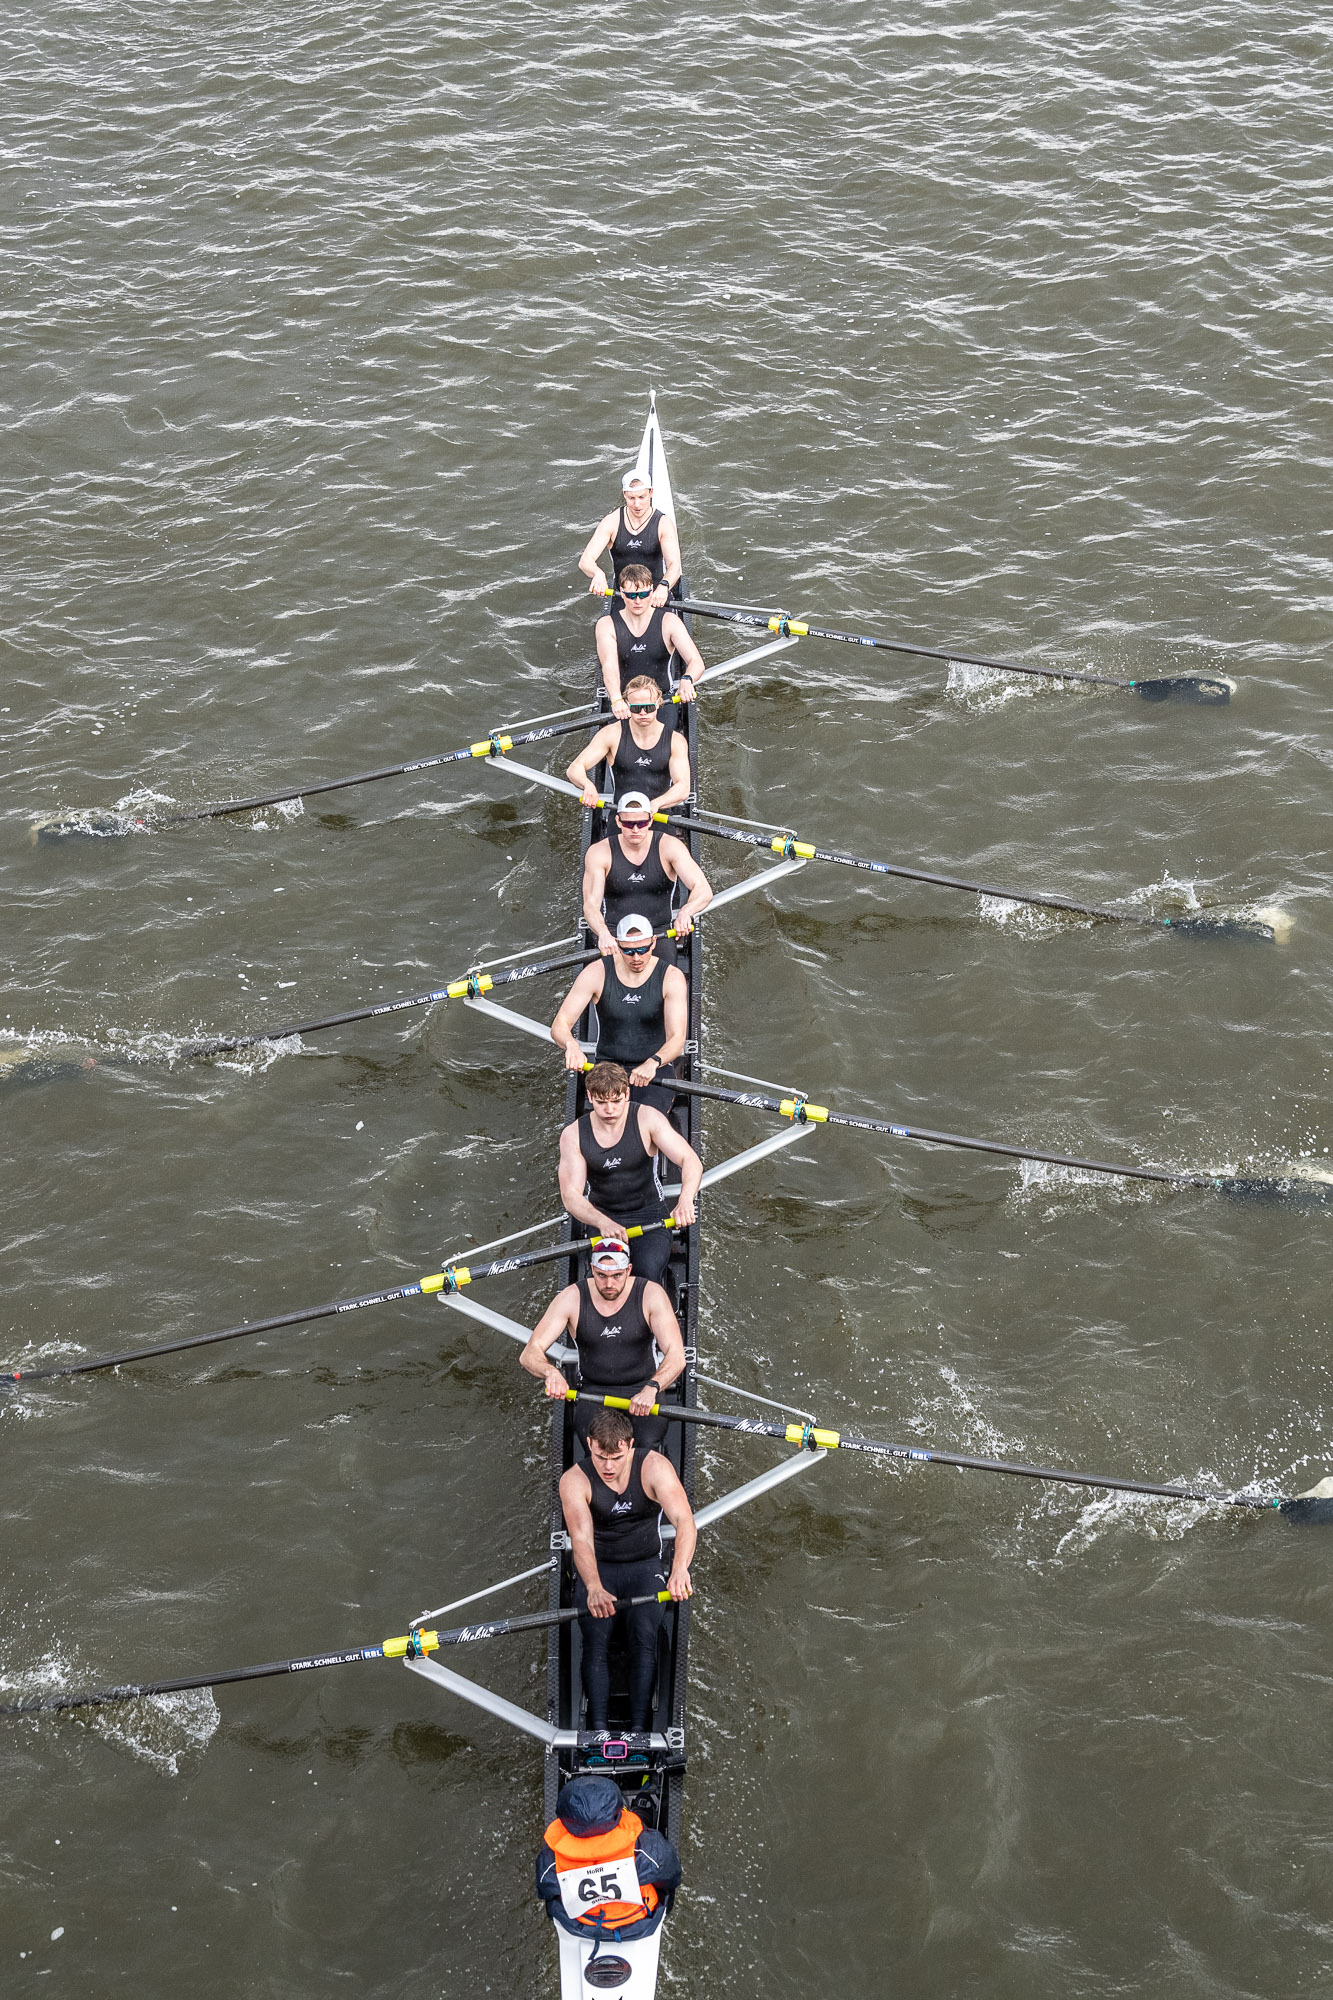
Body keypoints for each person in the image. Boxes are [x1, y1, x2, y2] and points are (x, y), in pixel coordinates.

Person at [559, 1406, 695, 1737]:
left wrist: (679, 1570)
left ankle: (640, 1729)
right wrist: (592, 1586)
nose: (608, 1466)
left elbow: (684, 1521)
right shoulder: (574, 1480)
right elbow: (581, 1540)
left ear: (630, 1445)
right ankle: (598, 1730)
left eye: (616, 1457)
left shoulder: (654, 1467)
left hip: (645, 1564)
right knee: (595, 1640)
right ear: (589, 1444)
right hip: (600, 1568)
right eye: (601, 1456)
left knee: (643, 1637)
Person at [520, 1235, 686, 1449]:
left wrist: (652, 1387)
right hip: (594, 1392)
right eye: (601, 1275)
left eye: (617, 1275)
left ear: (629, 1270)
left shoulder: (650, 1294)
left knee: (646, 1449)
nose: (609, 1284)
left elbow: (676, 1355)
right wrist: (551, 1372)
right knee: (600, 1451)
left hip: (643, 1388)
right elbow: (530, 1353)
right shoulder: (572, 1298)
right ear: (591, 1269)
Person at [557, 1059, 701, 1286]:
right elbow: (571, 1196)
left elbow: (690, 1160)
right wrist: (602, 1222)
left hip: (650, 1217)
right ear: (589, 1096)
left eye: (616, 1101)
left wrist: (685, 1199)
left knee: (645, 1277)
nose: (610, 1110)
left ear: (627, 1093)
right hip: (603, 1218)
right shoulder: (573, 1135)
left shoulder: (648, 1119)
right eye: (602, 1102)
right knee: (605, 1283)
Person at [550, 911, 687, 1113]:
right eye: (628, 951)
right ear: (617, 945)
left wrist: (653, 1062)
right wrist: (571, 1044)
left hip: (653, 1069)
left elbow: (677, 1039)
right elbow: (560, 1024)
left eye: (642, 949)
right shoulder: (596, 972)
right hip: (607, 1069)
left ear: (654, 943)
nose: (636, 957)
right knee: (610, 1124)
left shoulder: (672, 977)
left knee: (644, 1125)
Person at [537, 1773, 681, 1947]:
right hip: (637, 1921)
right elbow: (671, 1876)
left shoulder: (551, 1859)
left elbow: (545, 1891)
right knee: (642, 1816)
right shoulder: (645, 1847)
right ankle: (643, 1802)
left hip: (583, 1926)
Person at [582, 792, 711, 957]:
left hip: (659, 934)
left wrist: (686, 912)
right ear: (618, 822)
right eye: (629, 824)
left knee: (670, 981)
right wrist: (602, 933)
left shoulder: (670, 846)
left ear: (651, 820)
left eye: (641, 823)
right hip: (616, 937)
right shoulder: (599, 852)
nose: (635, 830)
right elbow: (591, 905)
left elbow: (703, 890)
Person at [565, 676, 692, 813]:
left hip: (657, 813)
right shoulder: (611, 734)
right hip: (622, 817)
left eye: (648, 707)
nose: (643, 713)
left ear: (658, 703)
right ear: (627, 705)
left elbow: (683, 787)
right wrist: (587, 785)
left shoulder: (675, 741)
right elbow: (574, 768)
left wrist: (655, 804)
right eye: (636, 709)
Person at [595, 563, 707, 718]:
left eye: (644, 594)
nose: (638, 601)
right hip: (626, 702)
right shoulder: (606, 624)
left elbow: (696, 661)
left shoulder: (669, 621)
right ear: (621, 592)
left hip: (661, 700)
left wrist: (687, 679)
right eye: (631, 595)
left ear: (652, 590)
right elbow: (609, 666)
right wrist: (616, 700)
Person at [578, 466, 682, 608]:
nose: (637, 504)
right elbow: (585, 561)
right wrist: (597, 573)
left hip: (654, 595)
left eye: (641, 497)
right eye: (631, 498)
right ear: (624, 494)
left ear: (651, 493)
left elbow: (674, 566)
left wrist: (664, 586)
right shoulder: (611, 522)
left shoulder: (663, 524)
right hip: (625, 595)